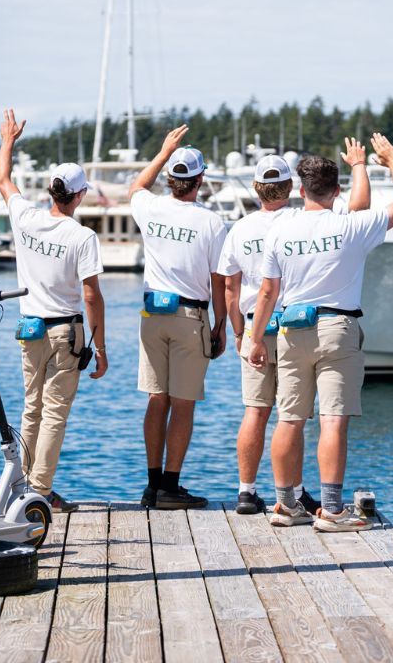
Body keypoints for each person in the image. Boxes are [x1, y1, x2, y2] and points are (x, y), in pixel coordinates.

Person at [248, 134, 393, 532]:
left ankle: (286, 505)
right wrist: (387, 160)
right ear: (335, 190)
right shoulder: (349, 226)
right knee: (333, 420)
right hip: (337, 329)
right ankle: (333, 510)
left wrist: (255, 340)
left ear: (300, 189)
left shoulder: (280, 231)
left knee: (288, 419)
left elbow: (267, 292)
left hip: (290, 328)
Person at [218, 140, 372, 516]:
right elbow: (353, 212)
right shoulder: (298, 221)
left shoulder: (239, 229)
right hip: (295, 323)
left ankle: (246, 490)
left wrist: (239, 332)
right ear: (291, 188)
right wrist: (360, 166)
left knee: (258, 411)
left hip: (257, 323)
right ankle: (295, 493)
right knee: (299, 416)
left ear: (255, 188)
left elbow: (229, 287)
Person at [0, 108, 108, 514]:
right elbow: (91, 295)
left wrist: (8, 139)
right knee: (54, 414)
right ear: (77, 196)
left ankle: (19, 484)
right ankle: (38, 491)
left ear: (49, 191)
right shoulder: (81, 236)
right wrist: (101, 347)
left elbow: (2, 179)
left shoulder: (25, 218)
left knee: (31, 408)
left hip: (29, 330)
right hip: (64, 332)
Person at [129, 125, 228, 510]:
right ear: (200, 180)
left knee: (157, 398)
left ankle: (152, 485)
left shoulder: (150, 208)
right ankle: (171, 485)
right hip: (191, 315)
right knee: (183, 403)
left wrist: (163, 151)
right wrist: (220, 327)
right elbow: (219, 281)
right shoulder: (212, 222)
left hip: (152, 312)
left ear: (171, 179)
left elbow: (137, 186)